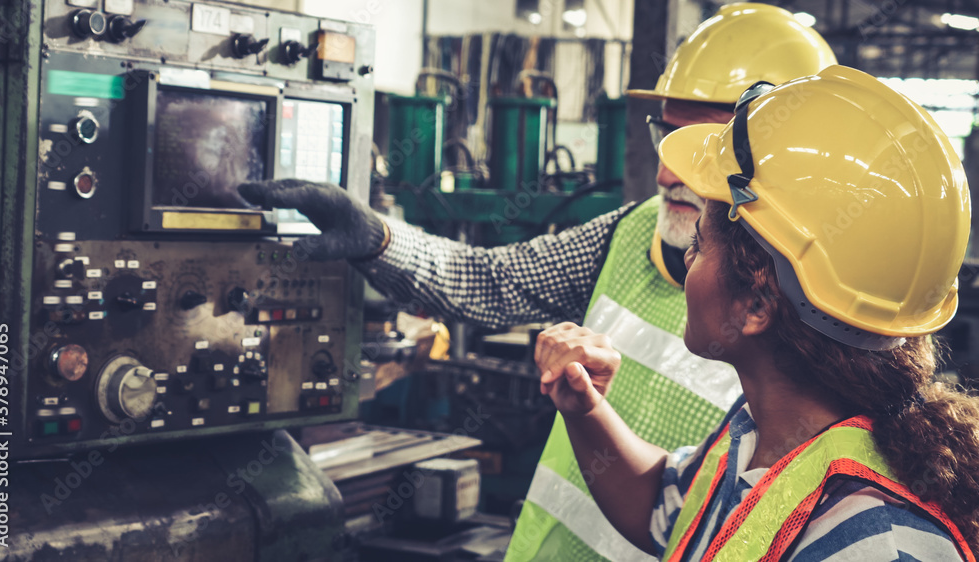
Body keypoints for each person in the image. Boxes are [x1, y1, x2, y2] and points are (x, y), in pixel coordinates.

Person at [237, 5, 838, 559]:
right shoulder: (627, 236)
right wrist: (380, 238)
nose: (662, 173)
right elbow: (487, 280)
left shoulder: (822, 324)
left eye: (700, 148)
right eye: (665, 138)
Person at [536, 65, 978, 560]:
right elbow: (669, 512)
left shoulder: (873, 544)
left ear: (756, 303)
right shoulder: (763, 435)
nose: (685, 258)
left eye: (699, 245)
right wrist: (586, 412)